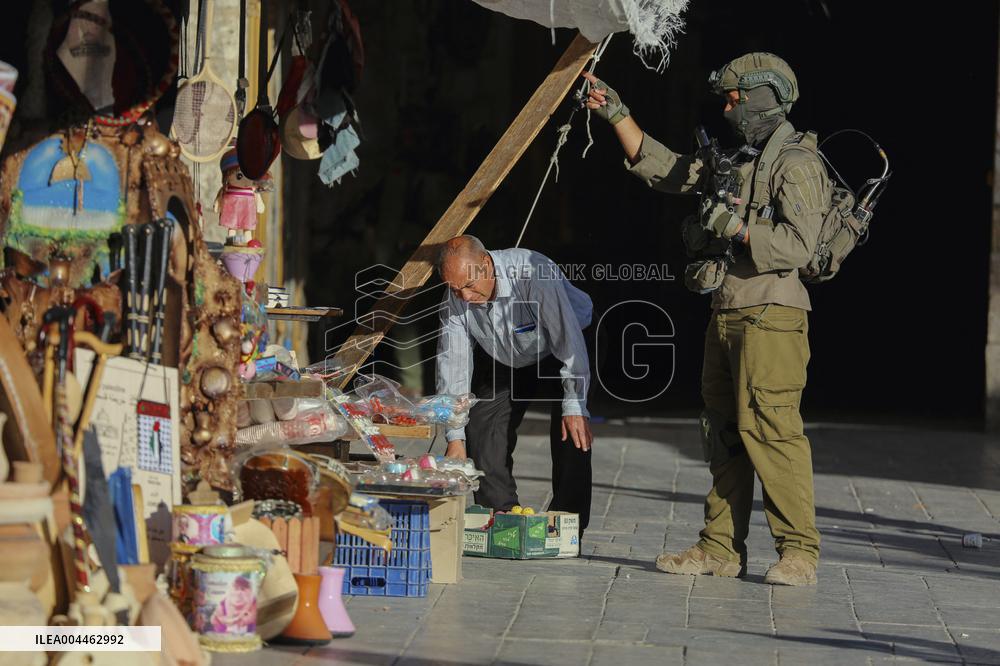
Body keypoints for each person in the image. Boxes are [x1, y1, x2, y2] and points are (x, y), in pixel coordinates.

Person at [584, 53, 829, 585]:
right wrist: (617, 114)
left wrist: (737, 229)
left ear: (763, 98)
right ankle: (719, 548)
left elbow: (798, 245)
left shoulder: (797, 164)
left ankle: (799, 554)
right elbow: (669, 171)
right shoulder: (734, 158)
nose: (726, 107)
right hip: (726, 310)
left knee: (772, 430)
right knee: (721, 433)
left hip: (774, 313)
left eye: (734, 99)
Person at [435, 235, 594, 532]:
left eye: (469, 285)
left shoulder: (534, 273)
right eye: (456, 290)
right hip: (508, 351)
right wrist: (454, 437)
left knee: (571, 427)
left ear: (485, 263)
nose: (465, 297)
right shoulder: (456, 297)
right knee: (481, 425)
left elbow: (567, 341)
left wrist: (575, 405)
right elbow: (453, 363)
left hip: (567, 342)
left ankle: (566, 526)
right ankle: (502, 516)